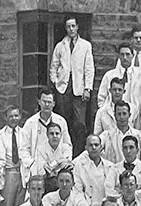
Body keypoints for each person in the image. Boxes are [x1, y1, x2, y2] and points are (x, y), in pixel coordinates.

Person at [50, 18, 94, 152]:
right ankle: (65, 152)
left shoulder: (85, 45)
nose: (71, 29)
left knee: (79, 123)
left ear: (78, 27)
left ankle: (78, 152)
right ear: (65, 28)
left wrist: (87, 88)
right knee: (64, 121)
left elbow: (89, 68)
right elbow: (54, 66)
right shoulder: (60, 45)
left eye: (73, 26)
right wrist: (56, 82)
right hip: (63, 88)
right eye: (68, 26)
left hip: (79, 88)